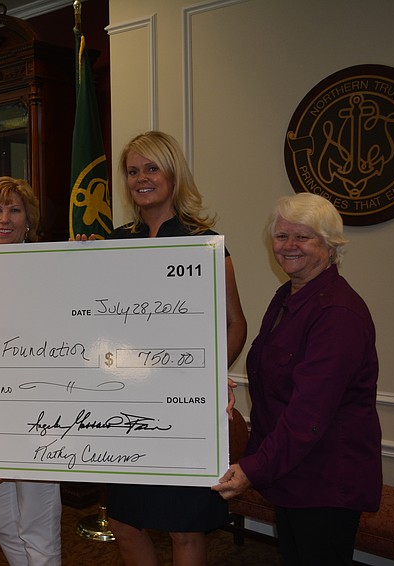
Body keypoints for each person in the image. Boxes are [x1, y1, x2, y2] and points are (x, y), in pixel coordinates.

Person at [212, 193, 381, 566]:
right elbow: (274, 381)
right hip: (293, 474)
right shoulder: (289, 295)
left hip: (325, 481)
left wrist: (251, 468)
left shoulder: (338, 313)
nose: (289, 246)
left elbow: (309, 414)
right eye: (281, 236)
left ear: (331, 245)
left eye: (302, 237)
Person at [105, 131, 247, 566]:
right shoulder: (115, 242)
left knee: (184, 527)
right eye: (133, 171)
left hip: (183, 409)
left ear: (173, 174)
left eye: (152, 168)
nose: (141, 178)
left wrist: (205, 374)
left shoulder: (205, 242)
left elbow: (235, 323)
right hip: (124, 405)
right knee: (124, 521)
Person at [0, 177, 62, 566]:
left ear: (28, 219)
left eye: (15, 210)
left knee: (37, 523)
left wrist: (85, 256)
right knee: (3, 520)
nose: (5, 219)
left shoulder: (49, 267)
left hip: (37, 413)